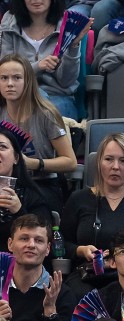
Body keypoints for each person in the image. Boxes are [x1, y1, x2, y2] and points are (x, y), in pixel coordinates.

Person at [60, 134, 124, 292]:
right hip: (88, 278)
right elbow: (61, 244)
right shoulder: (79, 199)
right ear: (99, 163)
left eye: (123, 161)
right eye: (109, 159)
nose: (115, 166)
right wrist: (81, 250)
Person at [0, 55, 74, 212]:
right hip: (5, 183)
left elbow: (70, 162)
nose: (10, 84)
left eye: (17, 78)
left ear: (28, 82)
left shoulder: (46, 114)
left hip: (42, 184)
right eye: (4, 78)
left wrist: (35, 164)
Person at [5, 214, 70, 321]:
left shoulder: (61, 292)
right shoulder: (0, 288)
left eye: (39, 240)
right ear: (10, 244)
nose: (31, 245)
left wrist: (50, 312)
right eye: (24, 238)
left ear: (48, 249)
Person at [0, 0, 91, 118]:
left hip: (57, 96)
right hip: (18, 95)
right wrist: (38, 66)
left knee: (47, 112)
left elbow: (66, 82)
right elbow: (6, 72)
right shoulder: (9, 22)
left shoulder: (68, 24)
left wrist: (73, 46)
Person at [0, 126, 50, 252]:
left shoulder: (32, 195)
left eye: (2, 147)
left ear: (16, 158)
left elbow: (44, 239)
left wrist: (19, 211)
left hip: (18, 265)